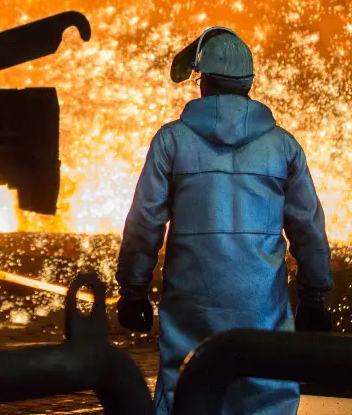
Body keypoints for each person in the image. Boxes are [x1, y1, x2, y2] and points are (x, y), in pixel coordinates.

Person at [115, 27, 333, 414]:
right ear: (248, 83)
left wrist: (133, 290)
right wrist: (314, 296)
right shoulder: (283, 145)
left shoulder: (171, 141)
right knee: (266, 393)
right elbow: (308, 227)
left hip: (191, 304)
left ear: (203, 81)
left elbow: (145, 222)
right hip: (261, 304)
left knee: (188, 390)